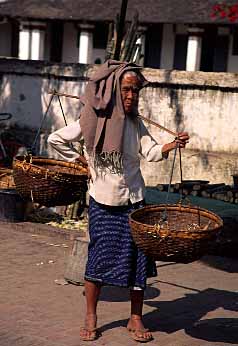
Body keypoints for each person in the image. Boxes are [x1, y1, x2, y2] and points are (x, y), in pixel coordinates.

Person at [48, 60, 189, 343]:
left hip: (135, 202)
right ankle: (91, 316)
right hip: (103, 202)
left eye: (135, 91)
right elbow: (56, 139)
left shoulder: (136, 123)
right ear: (113, 90)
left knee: (139, 260)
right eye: (126, 90)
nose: (131, 96)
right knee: (99, 260)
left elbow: (150, 151)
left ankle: (135, 317)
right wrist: (79, 161)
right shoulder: (91, 120)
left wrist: (171, 145)